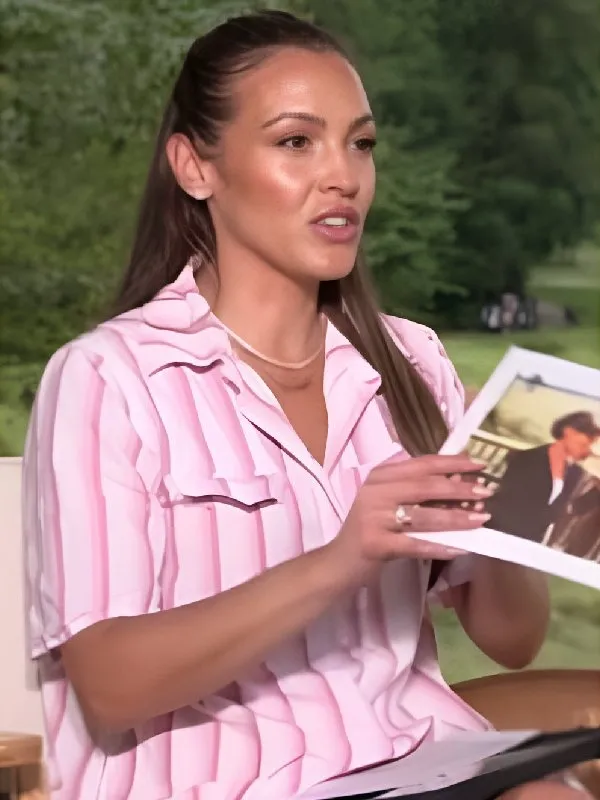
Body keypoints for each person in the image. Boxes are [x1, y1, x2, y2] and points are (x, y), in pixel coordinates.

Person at [22, 10, 591, 800]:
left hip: (417, 764)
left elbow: (514, 640)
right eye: (296, 142)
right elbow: (110, 686)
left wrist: (506, 518)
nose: (343, 177)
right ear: (194, 166)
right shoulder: (109, 379)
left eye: (361, 144)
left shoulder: (416, 363)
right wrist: (341, 560)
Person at [485, 411, 600, 543]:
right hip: (499, 534)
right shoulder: (526, 459)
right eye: (588, 440)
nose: (589, 449)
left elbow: (569, 509)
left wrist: (596, 492)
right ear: (569, 432)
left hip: (529, 541)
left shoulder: (575, 473)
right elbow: (510, 502)